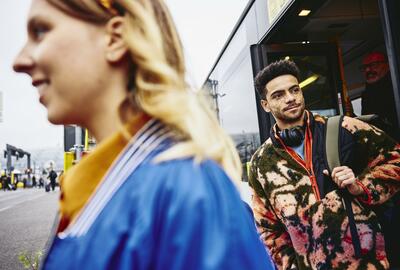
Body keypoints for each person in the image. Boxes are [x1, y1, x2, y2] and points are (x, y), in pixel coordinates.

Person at [13, 0, 274, 269]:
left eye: (41, 31)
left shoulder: (185, 192)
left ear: (114, 38)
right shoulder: (117, 183)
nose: (18, 61)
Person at [250, 59, 400, 269]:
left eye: (294, 90)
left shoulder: (345, 128)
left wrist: (361, 186)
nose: (290, 98)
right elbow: (268, 229)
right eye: (278, 95)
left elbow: (395, 159)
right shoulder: (260, 163)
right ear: (265, 105)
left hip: (367, 264)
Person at [361, 52, 400, 140]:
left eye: (374, 65)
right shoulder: (366, 96)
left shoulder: (396, 87)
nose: (367, 70)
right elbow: (369, 125)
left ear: (388, 65)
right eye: (364, 67)